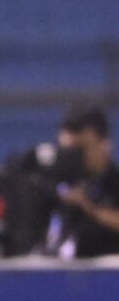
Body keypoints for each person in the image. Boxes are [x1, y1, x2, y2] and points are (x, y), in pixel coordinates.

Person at [45, 105, 119, 258]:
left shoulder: (114, 180)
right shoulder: (61, 181)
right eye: (70, 151)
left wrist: (91, 209)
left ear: (102, 143)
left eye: (81, 149)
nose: (76, 157)